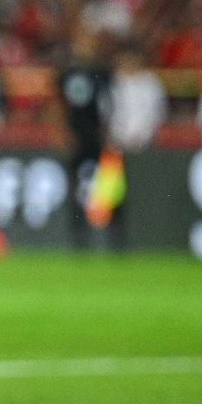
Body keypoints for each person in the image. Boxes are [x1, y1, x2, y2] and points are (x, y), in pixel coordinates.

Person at [105, 46, 166, 252]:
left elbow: (157, 114)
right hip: (116, 147)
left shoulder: (150, 84)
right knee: (111, 197)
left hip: (144, 147)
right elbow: (107, 113)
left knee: (142, 195)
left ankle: (145, 239)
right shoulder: (112, 83)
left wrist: (143, 137)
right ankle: (113, 240)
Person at [56, 27, 111, 252]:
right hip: (76, 133)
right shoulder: (67, 73)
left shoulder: (102, 72)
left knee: (106, 182)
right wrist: (62, 132)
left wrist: (107, 130)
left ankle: (106, 226)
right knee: (74, 180)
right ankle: (75, 228)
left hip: (96, 133)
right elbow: (57, 104)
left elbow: (108, 104)